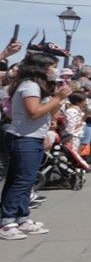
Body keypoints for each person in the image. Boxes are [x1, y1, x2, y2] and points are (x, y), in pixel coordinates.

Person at [2, 51, 72, 240]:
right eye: (52, 67)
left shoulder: (36, 87)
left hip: (31, 137)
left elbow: (48, 112)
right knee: (21, 181)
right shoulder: (30, 86)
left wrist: (58, 98)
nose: (54, 71)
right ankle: (7, 221)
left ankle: (22, 217)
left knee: (26, 180)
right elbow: (34, 112)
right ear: (40, 68)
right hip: (23, 137)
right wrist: (57, 99)